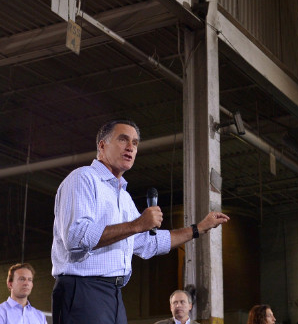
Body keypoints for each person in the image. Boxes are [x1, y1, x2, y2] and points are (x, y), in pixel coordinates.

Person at [51, 119, 230, 324]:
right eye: (123, 139)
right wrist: (137, 225)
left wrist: (198, 228)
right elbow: (76, 237)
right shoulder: (83, 179)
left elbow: (148, 242)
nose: (130, 147)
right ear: (102, 145)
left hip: (114, 294)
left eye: (135, 143)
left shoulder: (124, 198)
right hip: (82, 290)